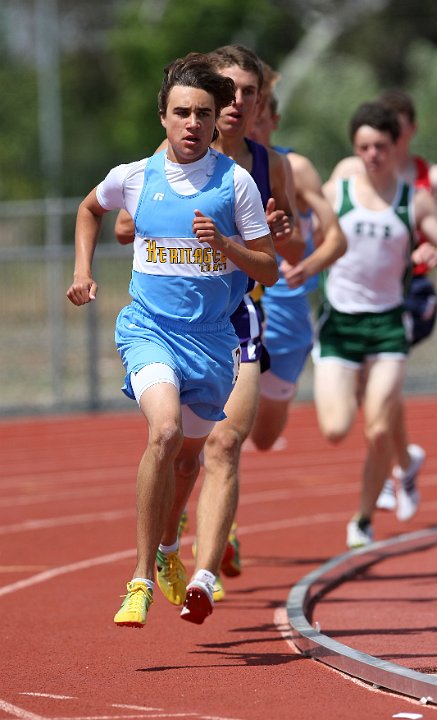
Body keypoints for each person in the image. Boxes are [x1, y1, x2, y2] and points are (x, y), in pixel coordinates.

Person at [66, 52, 279, 628]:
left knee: (189, 461)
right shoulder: (135, 176)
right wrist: (83, 271)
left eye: (203, 114)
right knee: (162, 432)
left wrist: (229, 247)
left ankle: (166, 552)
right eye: (182, 112)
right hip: (149, 330)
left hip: (212, 342)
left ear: (216, 122)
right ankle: (137, 579)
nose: (192, 123)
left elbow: (269, 270)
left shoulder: (235, 184)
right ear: (163, 116)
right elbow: (90, 209)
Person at [114, 45, 303, 619]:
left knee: (222, 442)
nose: (237, 102)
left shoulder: (269, 167)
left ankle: (204, 565)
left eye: (249, 92)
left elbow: (286, 253)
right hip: (170, 320)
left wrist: (271, 232)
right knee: (175, 441)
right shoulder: (170, 151)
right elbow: (126, 225)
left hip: (237, 315)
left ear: (257, 102)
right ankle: (167, 550)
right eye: (230, 90)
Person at [284, 101, 437, 548]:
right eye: (363, 146)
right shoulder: (337, 191)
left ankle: (363, 517)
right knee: (335, 428)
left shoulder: (413, 198)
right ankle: (404, 463)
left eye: (380, 146)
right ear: (355, 149)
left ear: (396, 145)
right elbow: (303, 226)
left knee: (380, 425)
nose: (372, 155)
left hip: (388, 325)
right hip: (340, 324)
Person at [329, 89, 437, 522]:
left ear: (409, 130)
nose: (381, 141)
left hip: (412, 293)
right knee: (365, 391)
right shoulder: (352, 170)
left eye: (394, 126)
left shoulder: (434, 177)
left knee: (382, 384)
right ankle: (404, 460)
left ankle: (398, 464)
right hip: (357, 298)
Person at [247, 63, 346, 451]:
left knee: (265, 437)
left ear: (274, 121)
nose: (249, 129)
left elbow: (335, 237)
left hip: (287, 313)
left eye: (259, 122)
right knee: (222, 431)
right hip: (239, 305)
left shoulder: (295, 168)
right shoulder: (217, 167)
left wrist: (308, 262)